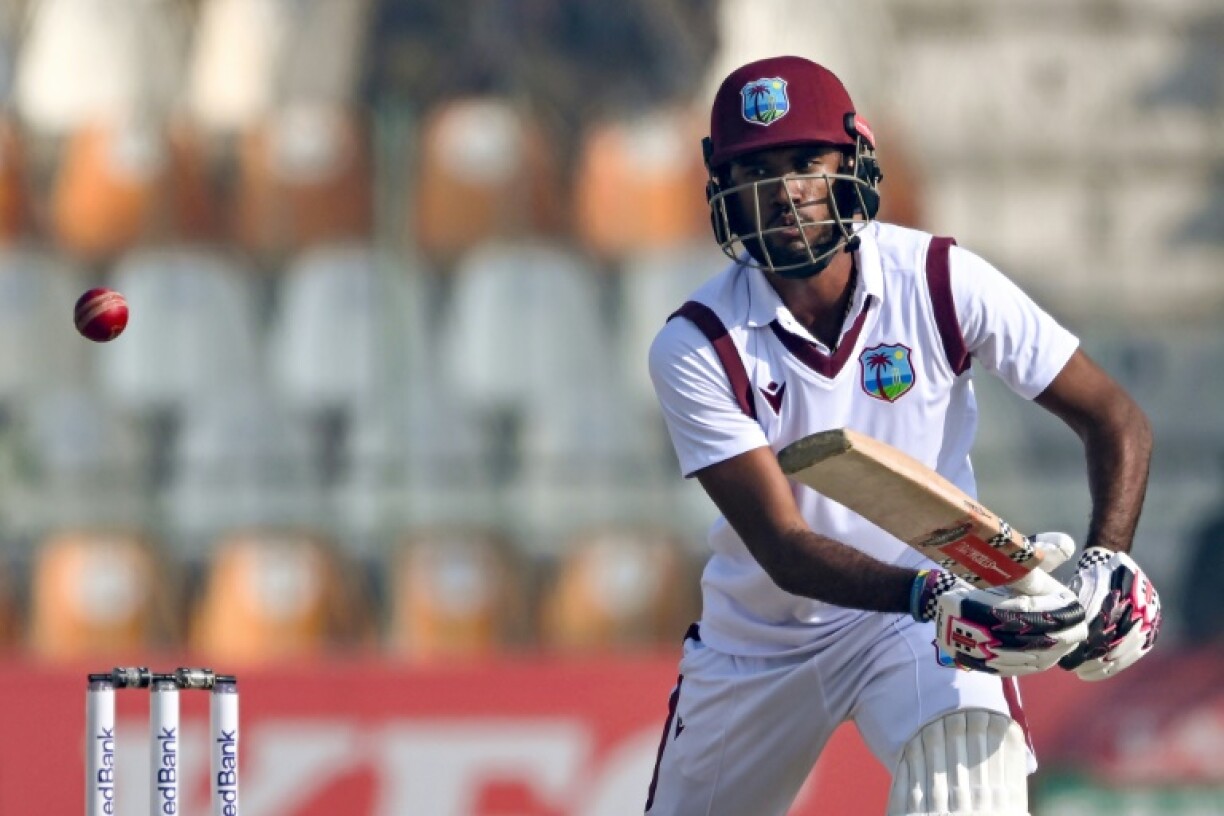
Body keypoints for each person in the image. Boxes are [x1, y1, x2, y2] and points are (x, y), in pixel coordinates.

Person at [643, 55, 1163, 816]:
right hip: (762, 641)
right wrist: (933, 594)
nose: (786, 193)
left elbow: (1114, 417)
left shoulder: (941, 279)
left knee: (969, 774)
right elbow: (784, 548)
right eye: (757, 170)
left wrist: (1108, 556)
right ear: (724, 190)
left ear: (851, 161)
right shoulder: (697, 344)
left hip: (915, 624)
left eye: (805, 162)